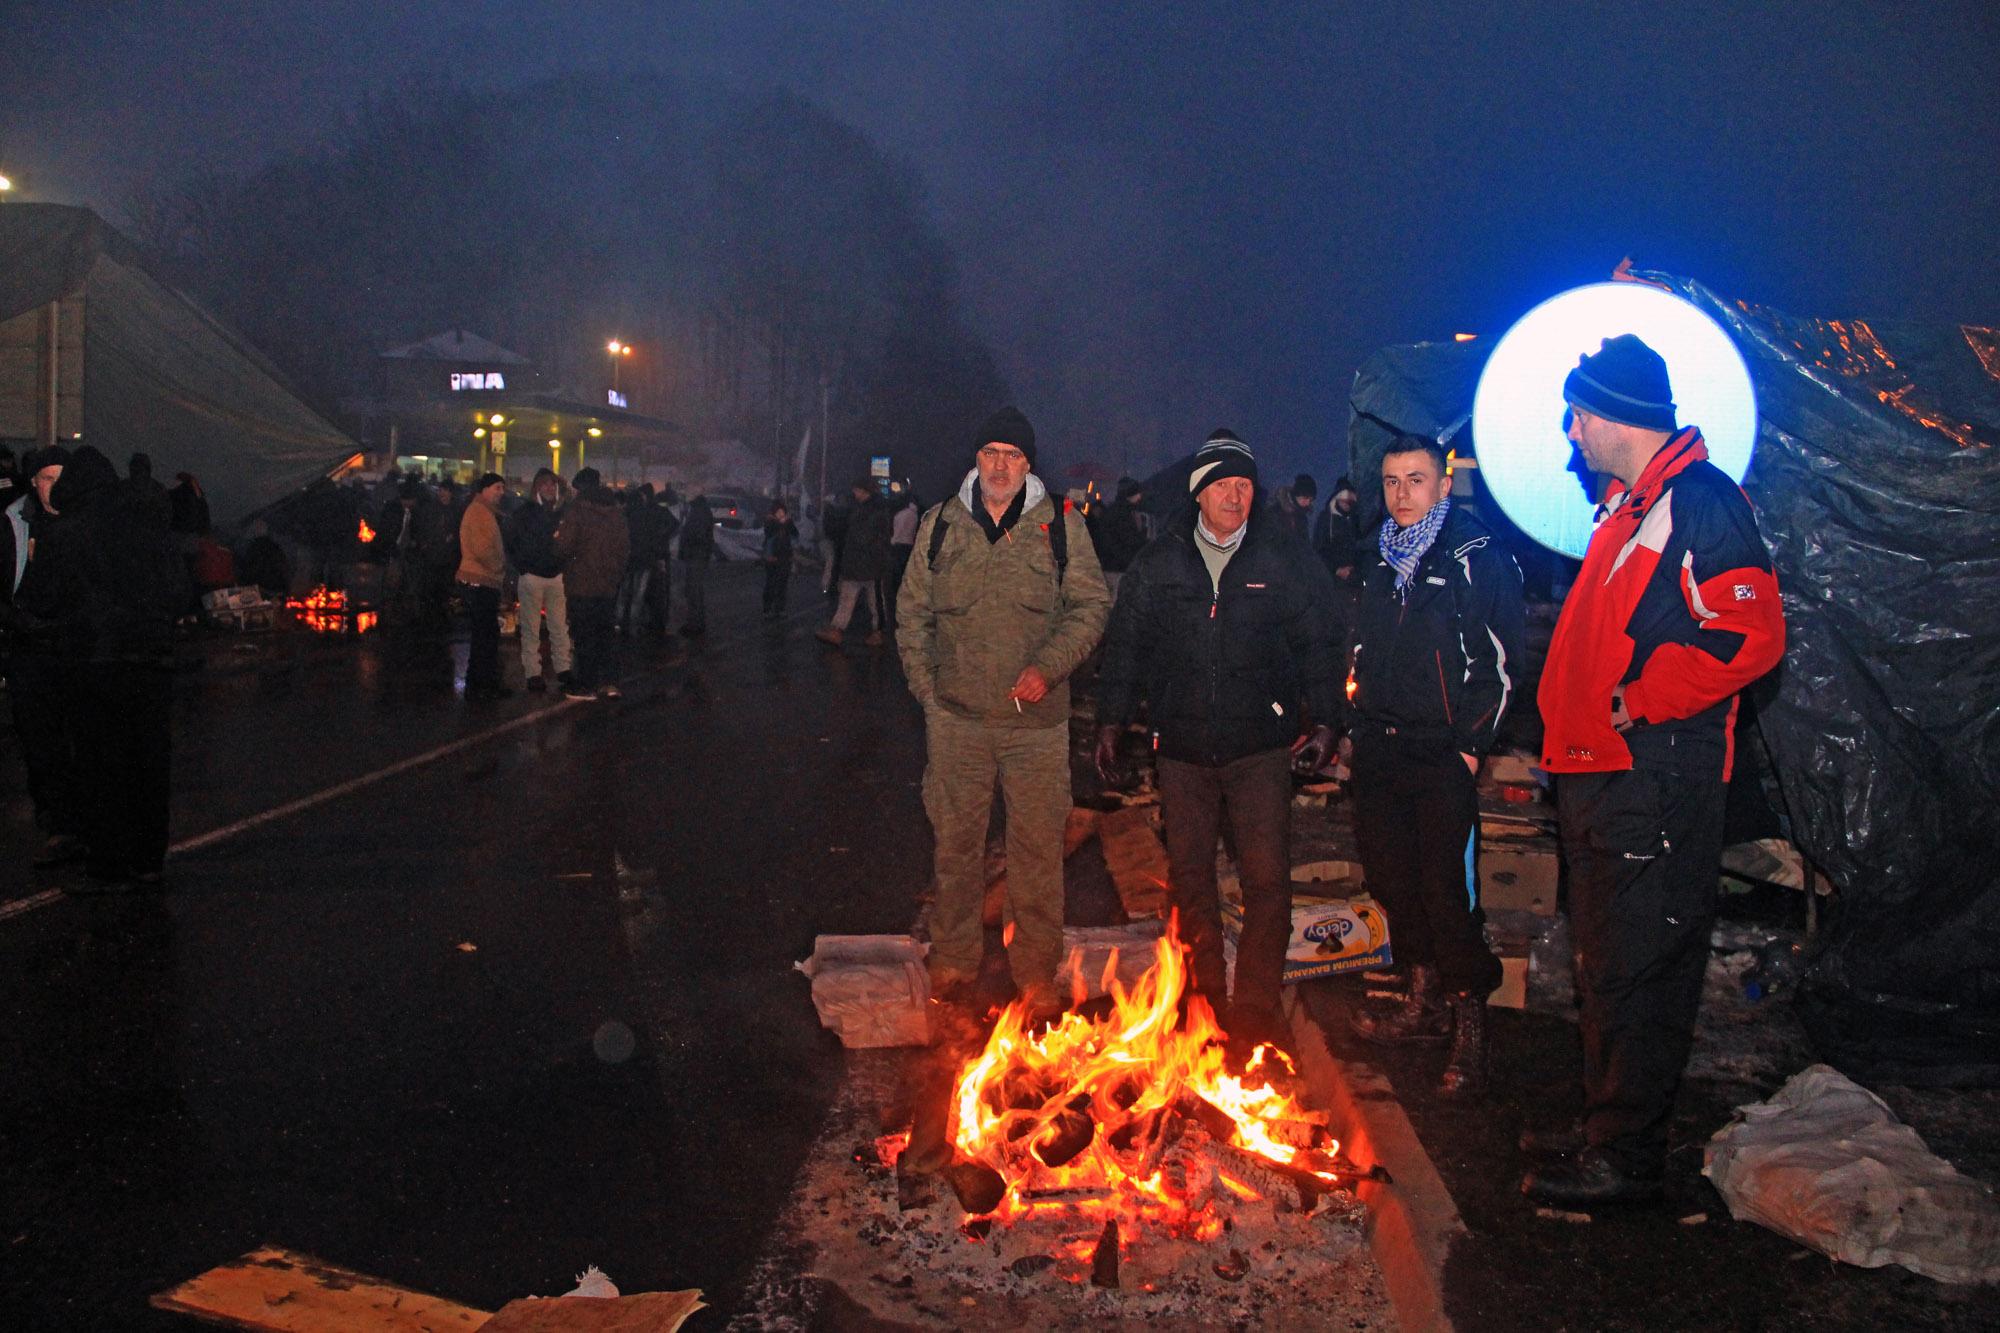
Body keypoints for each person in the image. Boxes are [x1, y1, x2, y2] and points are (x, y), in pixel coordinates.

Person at [1520, 334, 1786, 1205]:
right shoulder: (1630, 504)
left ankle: (1626, 1159)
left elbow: (1750, 632)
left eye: (1579, 415)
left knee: (1640, 964)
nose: (1570, 432)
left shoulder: (1698, 500)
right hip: (1604, 772)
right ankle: (1611, 1127)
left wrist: (1642, 698)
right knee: (1608, 961)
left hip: (1653, 774)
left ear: (1613, 416)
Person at [1094, 429, 1340, 1055]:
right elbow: (1125, 646)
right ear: (1199, 491)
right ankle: (1204, 995)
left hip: (1260, 747)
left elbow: (1320, 642)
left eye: (1245, 485)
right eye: (1224, 485)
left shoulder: (1282, 560)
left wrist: (1330, 721)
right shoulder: (1161, 562)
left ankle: (1255, 1006)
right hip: (1181, 749)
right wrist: (1111, 722)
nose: (1236, 496)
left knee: (1267, 881)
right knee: (1191, 874)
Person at [897, 406, 1110, 1017]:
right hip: (958, 722)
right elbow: (912, 613)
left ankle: (1036, 971)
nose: (999, 464)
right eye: (990, 451)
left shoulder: (1062, 526)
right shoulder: (942, 525)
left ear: (1027, 464)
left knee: (1037, 853)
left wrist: (1050, 665)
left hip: (1035, 730)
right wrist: (927, 691)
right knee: (955, 848)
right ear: (976, 458)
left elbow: (1090, 607)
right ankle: (956, 959)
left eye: (1011, 455)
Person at [1342, 435, 1524, 1096]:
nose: (1401, 494)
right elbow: (1358, 645)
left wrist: (1472, 745)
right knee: (1392, 878)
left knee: (1450, 893)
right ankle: (1422, 1001)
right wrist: (1355, 723)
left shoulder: (1473, 554)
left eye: (1415, 479)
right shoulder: (1380, 556)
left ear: (1442, 484)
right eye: (1391, 481)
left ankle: (1470, 1031)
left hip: (1442, 751)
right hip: (1382, 747)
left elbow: (1501, 662)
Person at [13, 446, 188, 892]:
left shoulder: (68, 533)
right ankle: (148, 859)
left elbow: (42, 600)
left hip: (95, 665)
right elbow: (180, 592)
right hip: (151, 664)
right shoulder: (148, 529)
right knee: (147, 765)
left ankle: (109, 865)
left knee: (102, 768)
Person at [2, 446, 85, 867]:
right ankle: (57, 825)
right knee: (40, 743)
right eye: (47, 478)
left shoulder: (83, 525)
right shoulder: (14, 524)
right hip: (30, 653)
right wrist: (20, 623)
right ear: (34, 482)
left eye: (61, 477)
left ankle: (81, 823)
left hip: (74, 651)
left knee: (77, 739)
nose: (55, 487)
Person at [555, 468, 630, 699]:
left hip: (582, 583)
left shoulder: (577, 511)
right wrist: (614, 574)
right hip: (608, 585)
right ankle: (609, 682)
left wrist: (557, 545)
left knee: (584, 634)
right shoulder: (616, 513)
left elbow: (565, 546)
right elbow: (624, 548)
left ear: (580, 488)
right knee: (605, 634)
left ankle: (586, 684)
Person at [507, 468, 573, 692]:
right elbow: (512, 541)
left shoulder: (561, 512)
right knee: (530, 627)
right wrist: (523, 567)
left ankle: (563, 667)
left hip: (556, 575)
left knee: (559, 625)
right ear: (536, 487)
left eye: (553, 484)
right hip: (533, 575)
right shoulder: (525, 512)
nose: (549, 488)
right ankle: (533, 672)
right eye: (545, 484)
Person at [816, 480, 892, 647]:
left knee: (875, 602)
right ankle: (837, 630)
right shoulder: (862, 508)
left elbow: (871, 537)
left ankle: (877, 632)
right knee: (847, 599)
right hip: (858, 563)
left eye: (857, 490)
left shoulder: (876, 510)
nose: (855, 493)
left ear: (864, 491)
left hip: (871, 564)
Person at [454, 472, 510, 698]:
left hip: (480, 578)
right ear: (484, 489)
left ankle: (478, 682)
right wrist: (498, 567)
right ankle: (483, 684)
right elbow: (482, 549)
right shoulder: (479, 512)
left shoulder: (481, 510)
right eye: (497, 488)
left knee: (482, 634)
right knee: (486, 635)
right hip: (482, 579)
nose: (501, 493)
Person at [1087, 476, 1148, 597]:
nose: (1140, 497)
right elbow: (1126, 541)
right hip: (1117, 569)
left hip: (1115, 567)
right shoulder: (1121, 514)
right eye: (1137, 493)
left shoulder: (1122, 511)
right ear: (1130, 494)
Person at [678, 494, 715, 637]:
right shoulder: (700, 510)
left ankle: (695, 624)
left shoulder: (698, 512)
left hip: (696, 555)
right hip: (697, 554)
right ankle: (696, 622)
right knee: (694, 590)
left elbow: (696, 534)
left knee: (694, 590)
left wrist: (687, 545)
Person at [1314, 477, 1362, 585]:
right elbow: (1318, 551)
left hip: (1355, 580)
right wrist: (1336, 570)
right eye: (1344, 501)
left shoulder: (1356, 520)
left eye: (1350, 502)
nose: (1347, 504)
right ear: (1337, 498)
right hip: (1331, 582)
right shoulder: (1325, 519)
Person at [884, 489, 920, 629]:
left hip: (898, 546)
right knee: (903, 575)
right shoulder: (915, 514)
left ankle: (896, 604)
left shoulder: (901, 514)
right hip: (908, 546)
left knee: (895, 577)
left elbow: (896, 531)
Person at [761, 501, 799, 617]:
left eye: (783, 512)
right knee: (771, 584)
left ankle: (780, 608)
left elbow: (795, 534)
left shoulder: (788, 523)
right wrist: (782, 523)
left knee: (782, 584)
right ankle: (767, 609)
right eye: (778, 512)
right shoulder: (770, 522)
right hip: (772, 558)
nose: (781, 514)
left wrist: (788, 523)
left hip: (785, 557)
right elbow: (769, 532)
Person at [1274, 472, 1316, 544]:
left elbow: (1304, 545)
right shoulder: (1276, 510)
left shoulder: (1302, 518)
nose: (1308, 502)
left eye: (1311, 499)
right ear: (1296, 494)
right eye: (1305, 497)